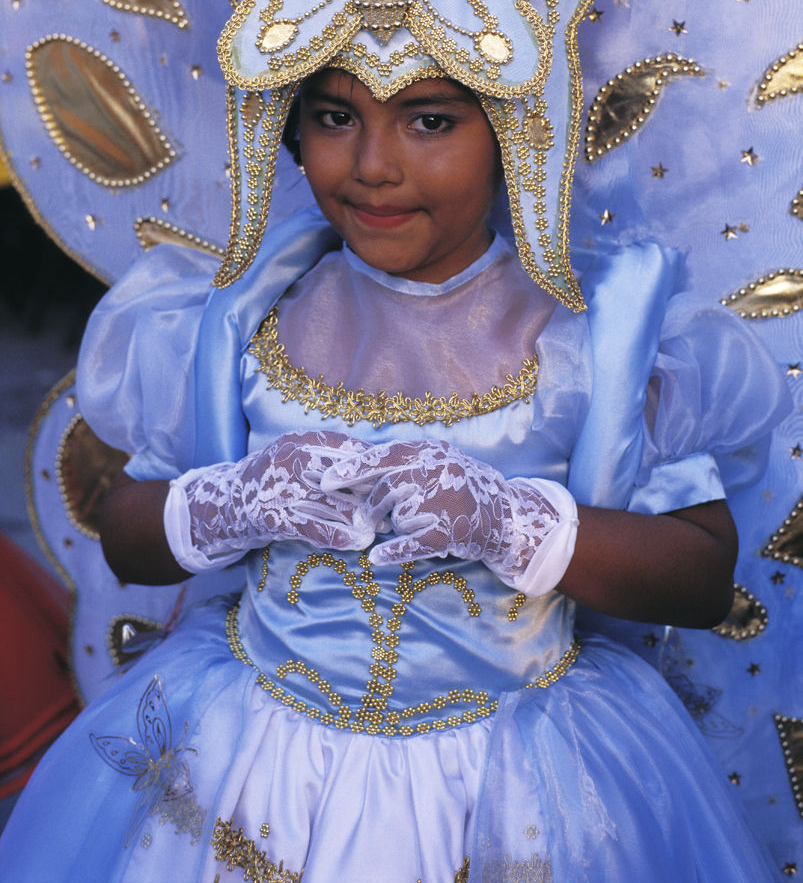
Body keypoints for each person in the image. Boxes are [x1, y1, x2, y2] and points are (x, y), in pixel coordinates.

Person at [0, 66, 790, 881]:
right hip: (250, 762)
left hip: (524, 782)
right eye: (336, 116)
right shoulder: (235, 318)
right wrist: (231, 504)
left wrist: (508, 522)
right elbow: (131, 542)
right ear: (290, 126)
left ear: (516, 132)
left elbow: (698, 580)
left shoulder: (610, 340)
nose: (373, 164)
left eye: (430, 122)